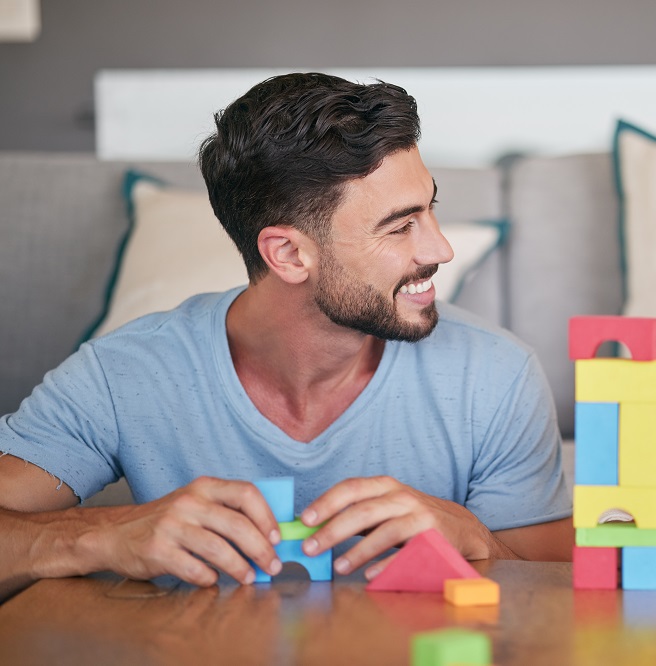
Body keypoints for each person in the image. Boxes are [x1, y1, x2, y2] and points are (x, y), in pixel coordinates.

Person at [0, 72, 573, 600]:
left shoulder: (495, 373)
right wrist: (98, 534)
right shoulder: (123, 372)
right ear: (288, 253)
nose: (440, 249)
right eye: (401, 227)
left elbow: (558, 595)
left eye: (430, 210)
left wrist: (475, 540)